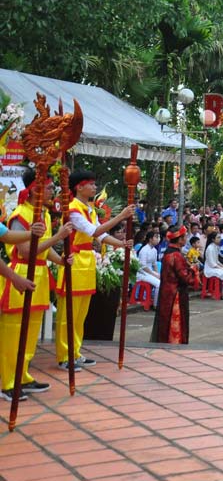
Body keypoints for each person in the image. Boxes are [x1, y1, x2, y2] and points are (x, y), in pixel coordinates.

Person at [1, 170, 74, 400]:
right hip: (21, 272)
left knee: (31, 331)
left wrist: (60, 259)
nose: (53, 191)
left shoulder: (42, 214)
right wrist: (57, 237)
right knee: (14, 332)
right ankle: (8, 382)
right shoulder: (21, 214)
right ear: (34, 189)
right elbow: (25, 250)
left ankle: (22, 376)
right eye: (50, 187)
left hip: (40, 275)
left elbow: (44, 248)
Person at [58, 170, 135, 370]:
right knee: (70, 313)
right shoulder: (72, 209)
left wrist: (120, 244)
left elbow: (99, 237)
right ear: (79, 187)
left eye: (94, 183)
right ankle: (64, 355)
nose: (94, 187)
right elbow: (94, 231)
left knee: (81, 312)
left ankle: (75, 351)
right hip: (73, 261)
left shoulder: (89, 209)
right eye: (90, 184)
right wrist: (121, 216)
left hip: (86, 262)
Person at [150, 224, 200, 343]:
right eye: (185, 236)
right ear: (180, 239)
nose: (186, 238)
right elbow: (186, 278)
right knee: (174, 320)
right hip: (175, 293)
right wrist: (193, 270)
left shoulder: (168, 253)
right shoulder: (176, 256)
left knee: (165, 319)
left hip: (166, 291)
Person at [136, 229, 162, 307]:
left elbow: (154, 264)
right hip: (142, 273)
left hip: (150, 272)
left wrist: (157, 273)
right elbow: (143, 266)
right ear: (150, 239)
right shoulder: (144, 250)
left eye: (158, 237)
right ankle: (155, 305)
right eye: (156, 237)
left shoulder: (154, 250)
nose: (158, 239)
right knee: (159, 284)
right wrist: (154, 274)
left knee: (163, 280)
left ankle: (159, 302)